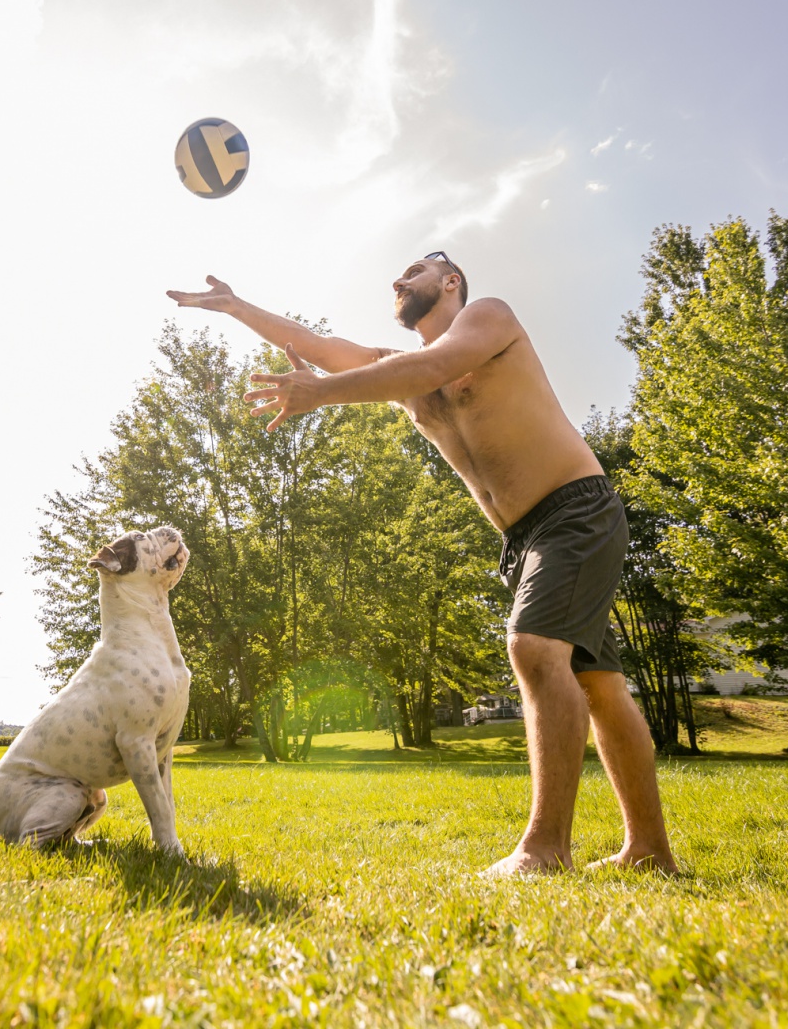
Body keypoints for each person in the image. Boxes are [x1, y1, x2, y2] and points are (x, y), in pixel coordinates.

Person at [166, 256, 678, 875]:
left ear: (451, 281)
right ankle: (649, 852)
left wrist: (324, 393)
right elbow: (322, 348)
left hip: (575, 510)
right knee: (598, 686)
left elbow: (433, 365)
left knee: (534, 650)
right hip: (526, 535)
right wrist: (239, 307)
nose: (398, 282)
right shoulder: (398, 369)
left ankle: (544, 850)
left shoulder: (489, 317)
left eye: (414, 271)